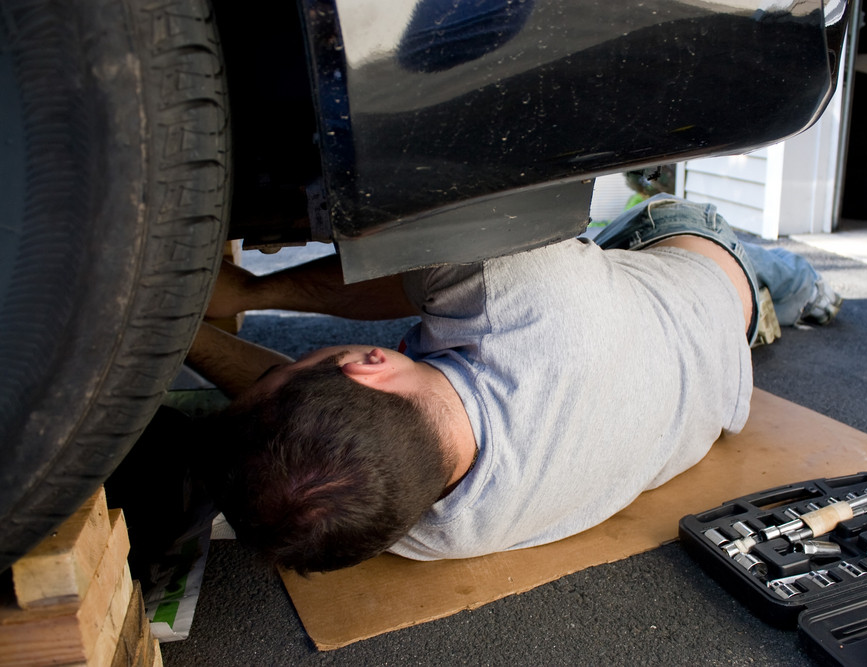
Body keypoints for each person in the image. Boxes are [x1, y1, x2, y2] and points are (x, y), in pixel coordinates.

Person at [187, 196, 832, 574]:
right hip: (702, 270)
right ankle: (811, 281)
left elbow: (295, 442)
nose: (286, 369)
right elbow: (412, 269)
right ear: (366, 363)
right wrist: (250, 290)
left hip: (710, 384)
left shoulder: (425, 531)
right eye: (295, 368)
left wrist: (180, 335)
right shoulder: (517, 284)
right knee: (769, 272)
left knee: (632, 259)